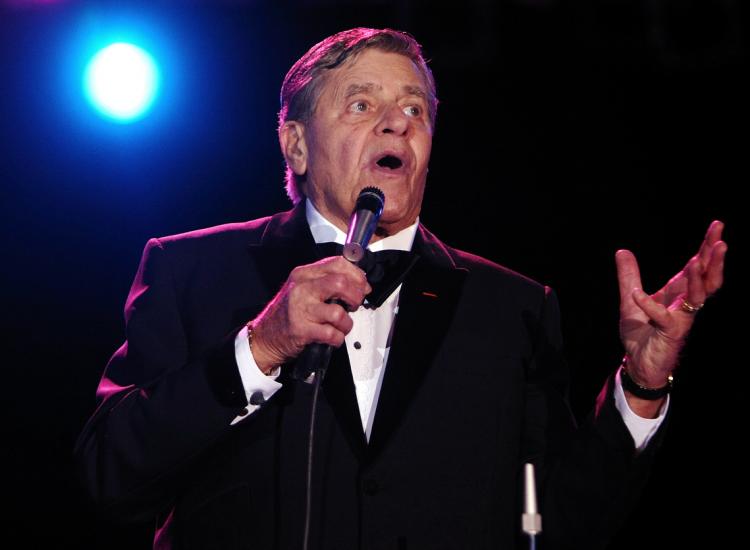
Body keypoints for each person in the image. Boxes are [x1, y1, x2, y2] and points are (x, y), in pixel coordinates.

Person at [75, 28, 726, 550]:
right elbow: (110, 477)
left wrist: (640, 390)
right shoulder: (191, 270)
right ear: (295, 144)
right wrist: (259, 347)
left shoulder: (513, 308)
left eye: (414, 109)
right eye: (362, 105)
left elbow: (556, 523)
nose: (396, 125)